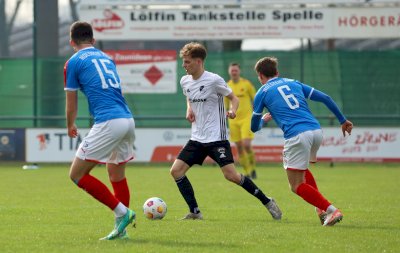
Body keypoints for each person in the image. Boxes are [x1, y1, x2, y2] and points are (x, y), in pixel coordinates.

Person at [170, 42, 282, 221]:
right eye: (183, 62)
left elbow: (234, 98)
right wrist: (189, 109)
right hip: (197, 137)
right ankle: (195, 212)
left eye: (187, 62)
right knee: (176, 171)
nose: (184, 65)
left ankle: (267, 201)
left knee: (231, 176)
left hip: (216, 138)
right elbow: (189, 97)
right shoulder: (185, 81)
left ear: (198, 62)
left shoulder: (214, 80)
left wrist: (233, 111)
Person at [250, 56, 353, 226]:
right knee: (301, 171)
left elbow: (254, 127)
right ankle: (321, 210)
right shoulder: (294, 82)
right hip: (316, 131)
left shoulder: (262, 92)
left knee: (296, 185)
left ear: (260, 76)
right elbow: (326, 97)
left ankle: (331, 210)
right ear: (277, 72)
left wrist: (263, 121)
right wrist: (343, 120)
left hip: (297, 136)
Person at [64, 21, 136, 240]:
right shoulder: (107, 58)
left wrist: (70, 124)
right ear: (93, 41)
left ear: (71, 42)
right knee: (116, 173)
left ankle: (123, 212)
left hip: (108, 121)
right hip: (127, 119)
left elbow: (72, 105)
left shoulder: (73, 62)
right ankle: (121, 231)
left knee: (77, 175)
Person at [225, 63, 258, 179]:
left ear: (239, 71)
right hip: (233, 121)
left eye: (236, 70)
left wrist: (258, 113)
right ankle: (248, 171)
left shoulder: (246, 84)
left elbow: (256, 99)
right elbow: (225, 105)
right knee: (239, 147)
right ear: (229, 72)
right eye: (232, 70)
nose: (234, 72)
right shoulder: (226, 86)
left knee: (246, 145)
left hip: (246, 119)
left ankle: (253, 168)